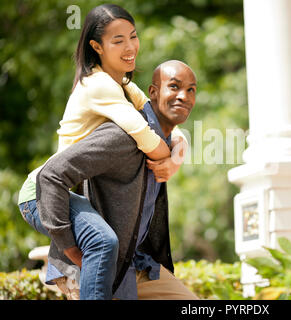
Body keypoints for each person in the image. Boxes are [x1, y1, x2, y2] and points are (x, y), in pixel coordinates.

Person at [17, 4, 187, 299]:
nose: (130, 47)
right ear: (97, 46)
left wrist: (177, 156)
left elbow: (165, 123)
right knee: (103, 241)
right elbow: (147, 136)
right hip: (42, 191)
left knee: (109, 244)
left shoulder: (124, 86)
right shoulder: (97, 85)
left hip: (70, 192)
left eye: (133, 37)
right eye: (117, 40)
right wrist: (69, 247)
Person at [37, 60, 199, 300]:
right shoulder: (125, 135)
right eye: (174, 87)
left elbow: (173, 135)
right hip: (94, 264)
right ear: (152, 92)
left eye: (191, 90)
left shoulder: (165, 143)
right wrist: (70, 249)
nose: (183, 96)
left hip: (136, 263)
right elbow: (51, 175)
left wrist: (177, 153)